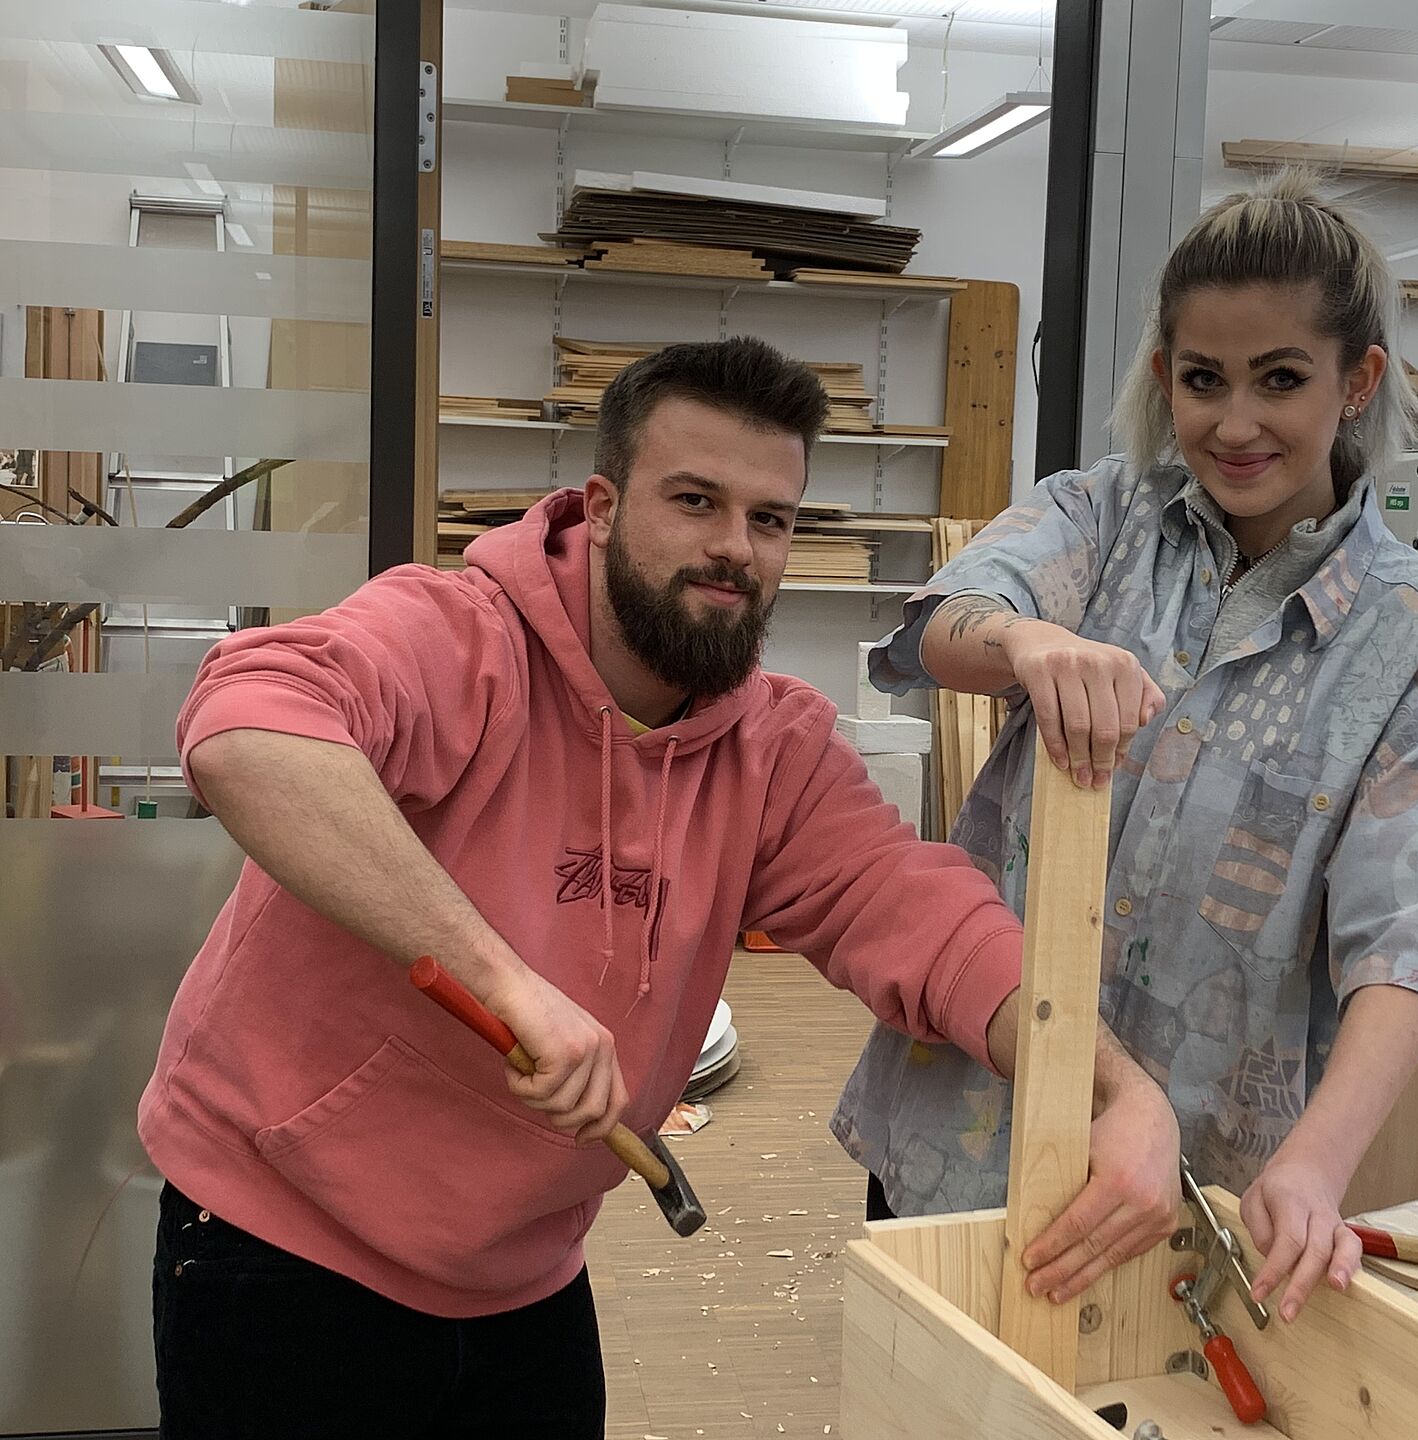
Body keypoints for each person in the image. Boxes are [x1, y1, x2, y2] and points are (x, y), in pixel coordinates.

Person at [139, 337, 1177, 1438]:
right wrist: (508, 983)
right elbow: (248, 730)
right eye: (695, 501)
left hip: (520, 1273)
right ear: (600, 503)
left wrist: (1119, 1090)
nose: (735, 550)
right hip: (282, 1248)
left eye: (769, 520)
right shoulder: (457, 636)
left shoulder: (774, 748)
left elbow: (925, 919)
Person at [832, 172, 1418, 1321]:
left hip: (1184, 1178)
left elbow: (1409, 945)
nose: (1235, 423)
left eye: (1281, 380)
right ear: (1164, 375)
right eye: (1203, 380)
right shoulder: (1097, 523)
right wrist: (1028, 641)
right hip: (966, 1121)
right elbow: (940, 626)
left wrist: (1317, 1160)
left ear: (1358, 382)